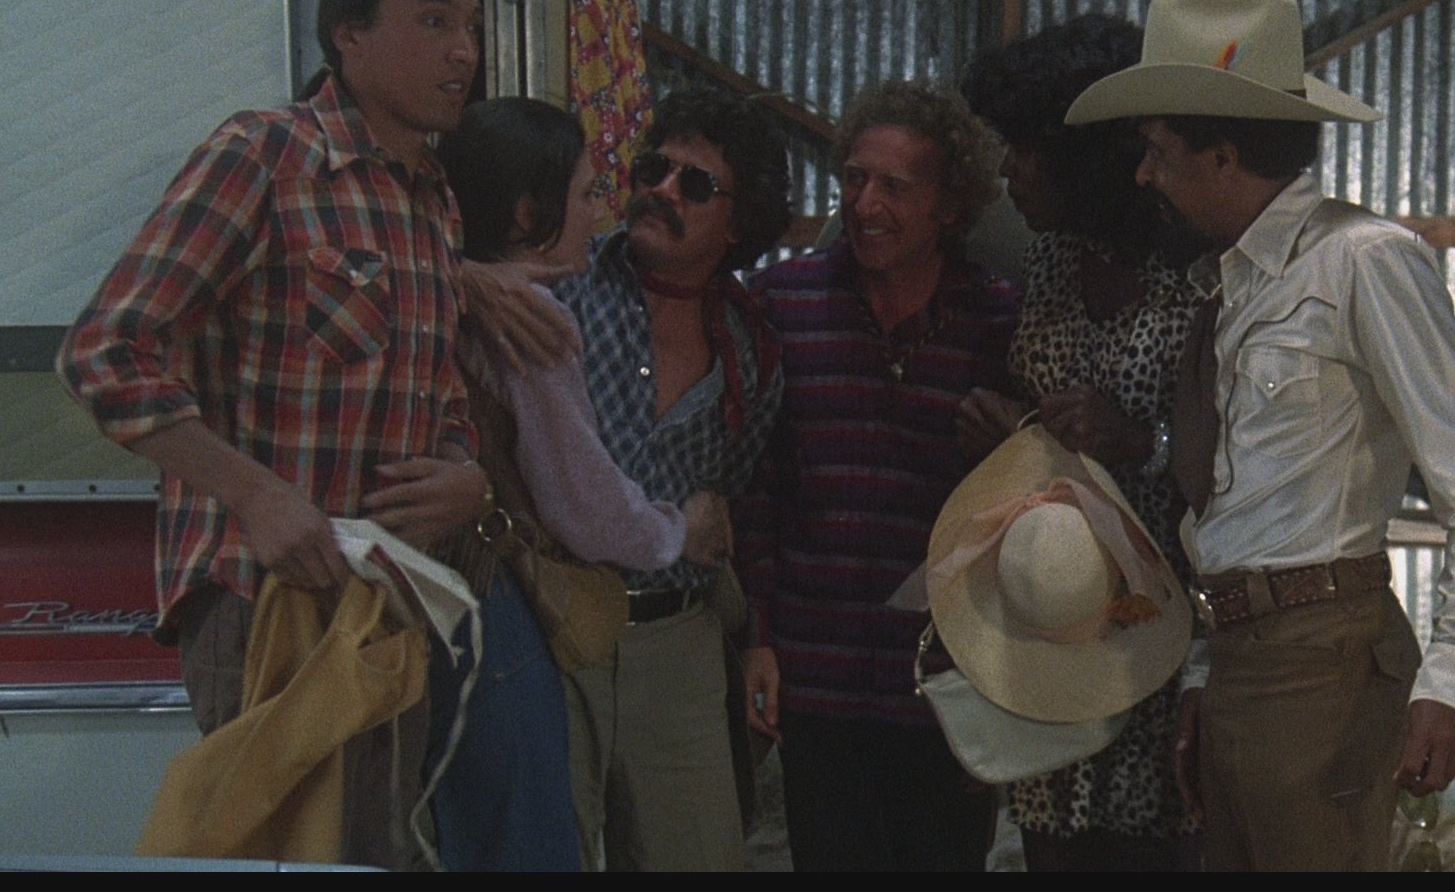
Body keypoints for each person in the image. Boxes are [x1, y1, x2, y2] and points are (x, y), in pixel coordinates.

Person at [56, 0, 491, 869]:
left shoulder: (431, 198)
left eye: (471, 27)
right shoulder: (266, 154)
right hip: (268, 603)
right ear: (350, 34)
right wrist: (255, 496)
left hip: (386, 606)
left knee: (374, 853)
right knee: (275, 859)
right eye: (434, 21)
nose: (464, 51)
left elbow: (440, 388)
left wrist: (465, 474)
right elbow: (103, 352)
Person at [1064, 0, 1455, 870]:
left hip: (1325, 666)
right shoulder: (1232, 286)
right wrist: (1207, 671)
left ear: (1224, 156)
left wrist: (1454, 676)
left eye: (1158, 151)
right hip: (1245, 661)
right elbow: (1233, 505)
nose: (1143, 175)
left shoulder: (1362, 263)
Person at [423, 98, 734, 871]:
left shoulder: (446, 293)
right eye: (589, 192)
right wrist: (679, 531)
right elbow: (581, 502)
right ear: (528, 212)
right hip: (504, 608)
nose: (605, 211)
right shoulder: (534, 315)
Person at [737, 81, 1019, 871]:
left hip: (945, 686)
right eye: (855, 179)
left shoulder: (999, 322)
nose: (865, 205)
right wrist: (758, 637)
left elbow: (1029, 514)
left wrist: (1005, 683)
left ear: (950, 206)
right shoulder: (783, 305)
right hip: (815, 679)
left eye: (896, 186)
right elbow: (755, 488)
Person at [958, 15, 1211, 871]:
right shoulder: (1051, 264)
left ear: (1084, 158)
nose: (1006, 170)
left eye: (1024, 149)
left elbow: (1248, 458)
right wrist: (1012, 436)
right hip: (1061, 621)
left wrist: (1145, 441)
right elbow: (1050, 427)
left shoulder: (1202, 276)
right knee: (1056, 846)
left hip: (1166, 632)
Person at [552, 88, 793, 871]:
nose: (660, 189)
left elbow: (735, 499)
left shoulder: (751, 352)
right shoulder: (562, 284)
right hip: (555, 625)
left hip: (675, 637)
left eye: (694, 184)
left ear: (738, 223)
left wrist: (755, 638)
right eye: (653, 168)